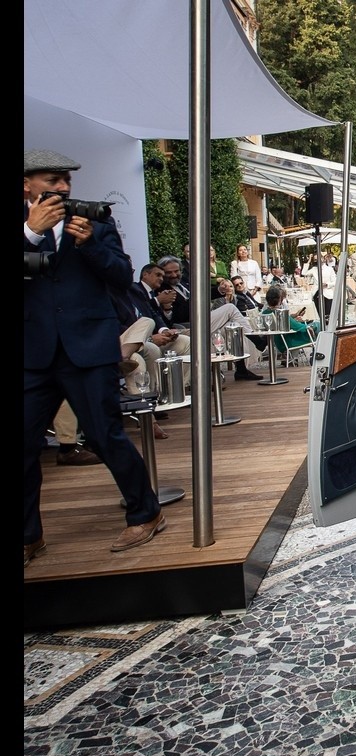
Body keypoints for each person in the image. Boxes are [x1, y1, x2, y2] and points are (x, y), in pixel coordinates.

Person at [24, 148, 165, 564]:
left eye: (66, 178)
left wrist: (87, 246)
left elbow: (123, 276)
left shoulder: (94, 220)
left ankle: (146, 512)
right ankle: (30, 535)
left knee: (105, 435)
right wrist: (31, 235)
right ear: (26, 184)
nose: (63, 187)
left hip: (87, 345)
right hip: (34, 350)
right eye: (52, 180)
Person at [263, 284, 319, 356]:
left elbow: (291, 323)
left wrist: (295, 319)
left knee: (314, 325)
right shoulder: (281, 313)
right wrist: (306, 327)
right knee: (317, 325)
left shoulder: (266, 312)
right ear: (279, 299)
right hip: (290, 339)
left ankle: (316, 353)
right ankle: (317, 353)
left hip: (279, 339)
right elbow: (296, 326)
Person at [307, 254, 338, 321]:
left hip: (327, 294)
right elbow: (303, 273)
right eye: (315, 260)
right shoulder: (313, 269)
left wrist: (327, 284)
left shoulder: (329, 269)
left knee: (328, 315)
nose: (317, 261)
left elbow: (335, 281)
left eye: (318, 259)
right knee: (319, 315)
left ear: (323, 259)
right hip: (317, 293)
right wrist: (309, 261)